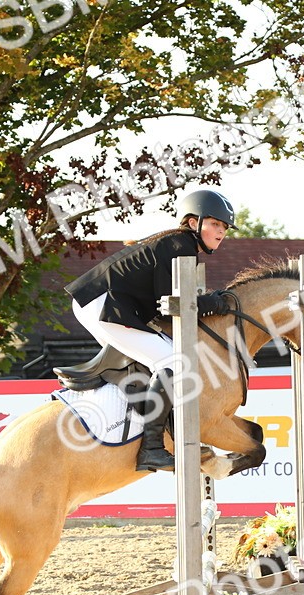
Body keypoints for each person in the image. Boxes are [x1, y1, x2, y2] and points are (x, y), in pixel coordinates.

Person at [63, 189, 236, 472]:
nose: (221, 232)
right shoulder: (181, 245)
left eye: (225, 227)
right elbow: (168, 305)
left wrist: (206, 302)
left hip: (97, 302)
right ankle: (152, 449)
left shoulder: (178, 243)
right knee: (173, 361)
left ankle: (149, 427)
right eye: (215, 223)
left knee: (158, 356)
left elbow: (167, 305)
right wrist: (214, 303)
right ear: (193, 222)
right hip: (103, 304)